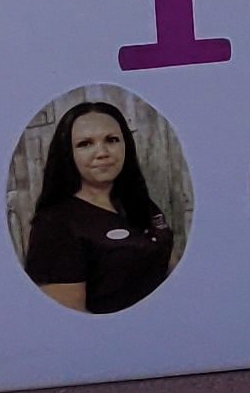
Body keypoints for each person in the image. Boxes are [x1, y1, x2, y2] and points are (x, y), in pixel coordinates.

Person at [21, 98, 173, 315]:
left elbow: (169, 261)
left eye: (111, 140)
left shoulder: (140, 203)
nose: (102, 152)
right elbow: (69, 322)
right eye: (85, 144)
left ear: (126, 145)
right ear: (68, 154)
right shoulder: (55, 224)